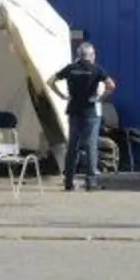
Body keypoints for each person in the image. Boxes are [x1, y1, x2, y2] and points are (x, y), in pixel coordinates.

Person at [47, 42, 117, 191]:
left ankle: (69, 181)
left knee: (72, 146)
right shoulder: (97, 69)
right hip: (90, 111)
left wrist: (61, 96)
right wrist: (100, 98)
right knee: (91, 146)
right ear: (91, 55)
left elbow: (50, 81)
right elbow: (111, 85)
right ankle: (91, 182)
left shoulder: (70, 68)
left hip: (74, 111)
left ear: (79, 55)